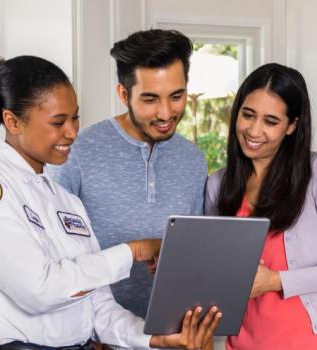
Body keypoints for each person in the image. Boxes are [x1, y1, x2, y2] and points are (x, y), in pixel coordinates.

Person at [0, 56, 221, 350]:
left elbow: (98, 308)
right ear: (12, 121)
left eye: (75, 117)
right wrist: (134, 251)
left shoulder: (66, 202)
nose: (72, 132)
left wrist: (155, 338)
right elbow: (39, 291)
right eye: (58, 122)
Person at [49, 29, 207, 319]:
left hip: (171, 329)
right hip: (97, 332)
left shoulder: (193, 160)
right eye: (149, 99)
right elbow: (55, 256)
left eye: (176, 96)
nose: (165, 113)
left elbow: (193, 250)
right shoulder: (76, 153)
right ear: (123, 94)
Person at [204, 62, 317, 349]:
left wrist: (275, 281)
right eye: (248, 115)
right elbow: (214, 271)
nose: (254, 130)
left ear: (292, 126)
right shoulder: (217, 185)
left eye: (271, 121)